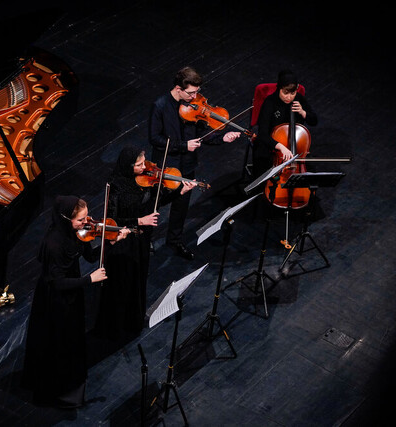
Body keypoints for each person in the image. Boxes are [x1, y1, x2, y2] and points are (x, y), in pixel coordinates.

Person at [21, 195, 129, 409]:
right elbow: (56, 282)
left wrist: (111, 241)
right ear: (64, 219)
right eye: (80, 220)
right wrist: (89, 279)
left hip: (72, 288)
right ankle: (57, 388)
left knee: (72, 337)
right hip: (55, 298)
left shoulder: (80, 233)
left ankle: (70, 379)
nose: (87, 222)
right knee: (58, 340)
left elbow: (90, 258)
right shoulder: (53, 245)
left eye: (87, 216)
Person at [92, 145, 196, 342]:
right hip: (122, 243)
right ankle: (116, 327)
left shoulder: (147, 181)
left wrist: (180, 191)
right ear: (128, 166)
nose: (144, 168)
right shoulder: (115, 186)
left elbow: (156, 202)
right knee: (122, 283)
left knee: (138, 278)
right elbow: (112, 222)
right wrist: (140, 221)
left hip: (141, 239)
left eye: (143, 163)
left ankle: (133, 319)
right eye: (138, 165)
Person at [148, 66, 240, 259]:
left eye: (197, 92)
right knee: (155, 203)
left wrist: (222, 138)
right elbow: (155, 139)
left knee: (181, 206)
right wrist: (183, 146)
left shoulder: (194, 105)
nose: (195, 96)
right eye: (191, 92)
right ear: (178, 88)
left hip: (187, 164)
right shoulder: (160, 105)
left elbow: (201, 135)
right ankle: (145, 238)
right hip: (166, 164)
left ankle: (174, 241)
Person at [252, 69, 318, 178]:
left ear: (296, 90)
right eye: (285, 93)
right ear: (279, 88)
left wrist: (303, 112)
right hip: (271, 143)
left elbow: (314, 121)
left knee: (311, 167)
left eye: (293, 93)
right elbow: (262, 133)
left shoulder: (299, 99)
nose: (289, 97)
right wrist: (281, 147)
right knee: (261, 156)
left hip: (294, 147)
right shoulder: (270, 102)